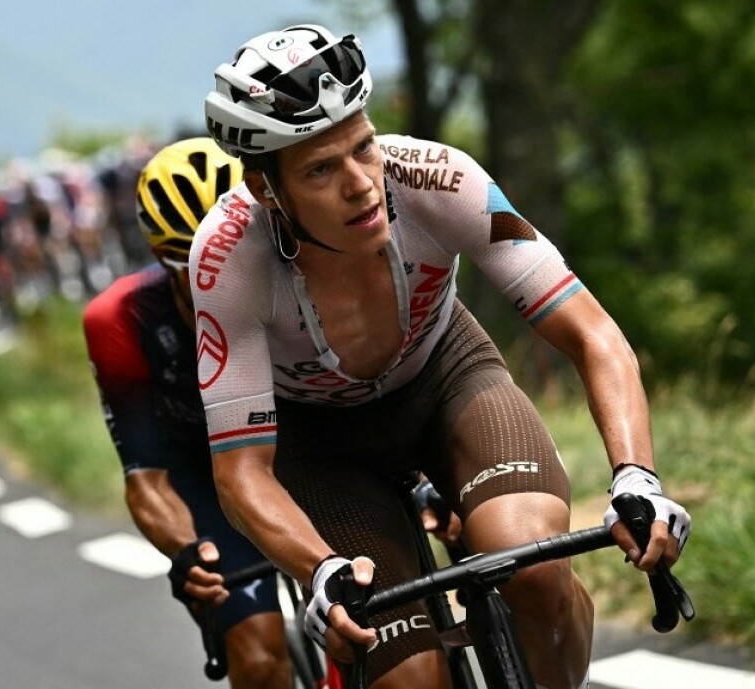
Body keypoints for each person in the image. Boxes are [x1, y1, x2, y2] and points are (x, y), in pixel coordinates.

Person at [191, 24, 692, 689]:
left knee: (535, 569)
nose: (361, 184)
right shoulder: (227, 261)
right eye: (320, 169)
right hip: (321, 446)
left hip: (446, 379)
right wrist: (319, 569)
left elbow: (593, 335)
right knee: (410, 679)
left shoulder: (441, 179)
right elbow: (242, 473)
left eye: (363, 146)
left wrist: (637, 477)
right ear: (266, 190)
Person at [82, 138, 293, 689]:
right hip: (207, 477)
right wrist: (186, 553)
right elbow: (146, 479)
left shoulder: (304, 269)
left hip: (309, 446)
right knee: (260, 659)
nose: (223, 280)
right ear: (163, 260)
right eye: (199, 267)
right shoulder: (121, 319)